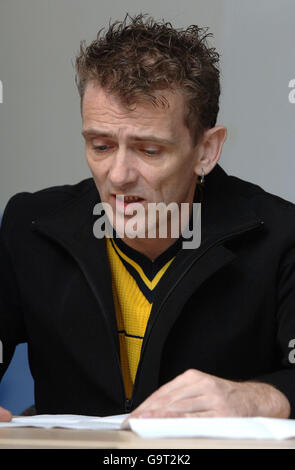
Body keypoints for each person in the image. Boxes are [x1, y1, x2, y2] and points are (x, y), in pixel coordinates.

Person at [0, 13, 295, 423]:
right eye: (101, 146)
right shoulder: (29, 225)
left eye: (149, 150)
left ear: (206, 150)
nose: (118, 176)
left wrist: (261, 399)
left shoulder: (282, 236)